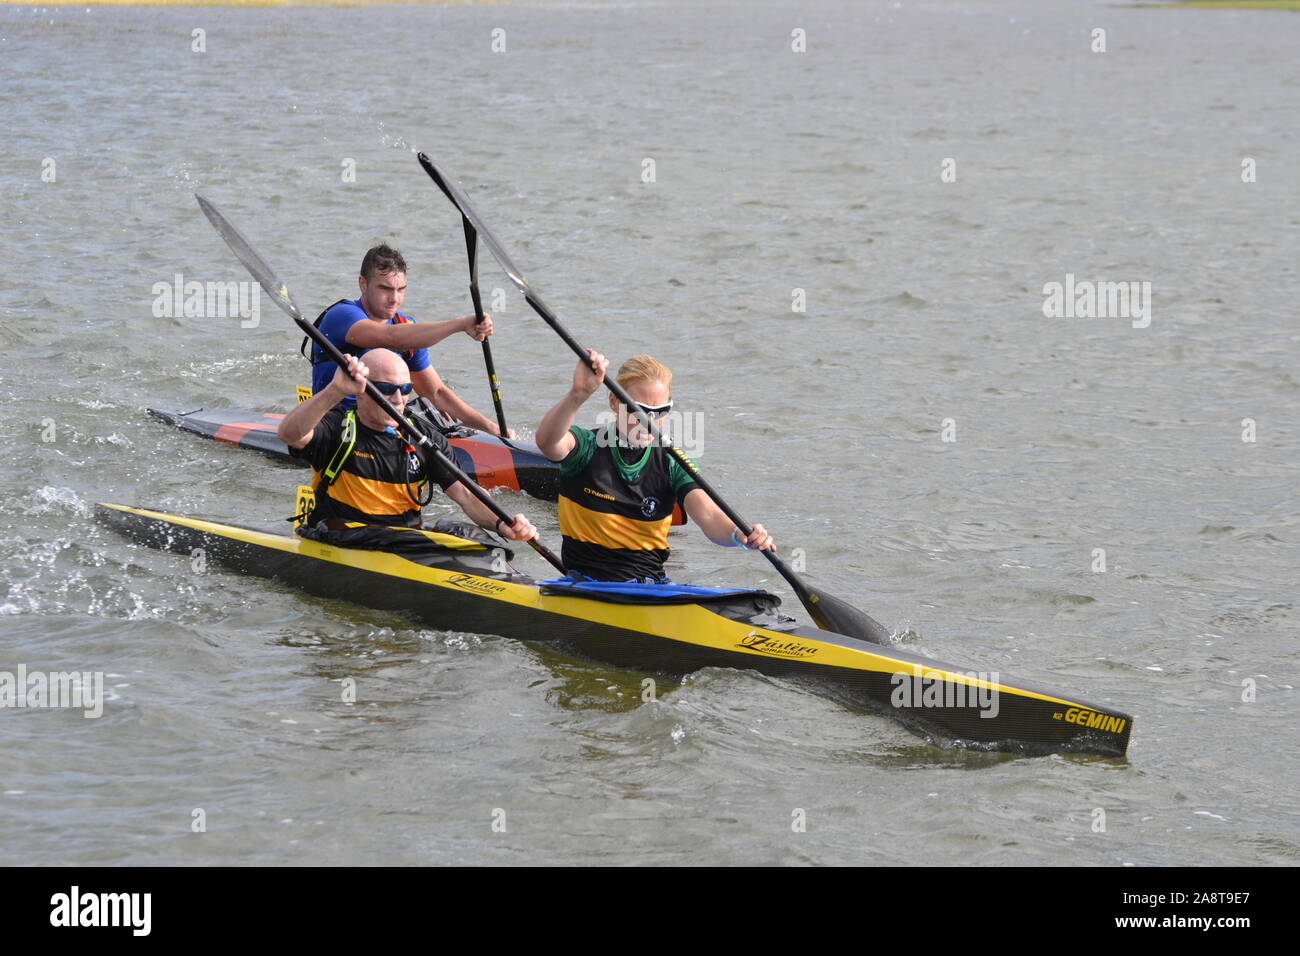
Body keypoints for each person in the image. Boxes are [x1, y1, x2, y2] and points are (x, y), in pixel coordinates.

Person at [534, 350, 773, 582]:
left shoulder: (672, 462)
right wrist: (578, 394)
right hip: (587, 583)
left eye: (660, 411)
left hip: (651, 586)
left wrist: (738, 534)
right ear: (614, 402)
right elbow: (548, 442)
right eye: (640, 411)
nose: (650, 421)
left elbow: (710, 517)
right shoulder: (586, 447)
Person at [279, 348, 536, 540]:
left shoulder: (425, 437)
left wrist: (504, 524)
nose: (398, 399)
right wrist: (335, 390)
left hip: (402, 540)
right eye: (386, 389)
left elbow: (466, 495)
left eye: (406, 388)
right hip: (344, 535)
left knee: (469, 535)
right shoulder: (338, 428)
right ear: (361, 389)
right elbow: (289, 434)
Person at [308, 243, 514, 437]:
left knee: (430, 412)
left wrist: (493, 429)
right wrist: (460, 324)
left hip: (386, 423)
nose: (394, 298)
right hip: (338, 423)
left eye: (401, 289)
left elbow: (437, 394)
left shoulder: (407, 326)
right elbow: (391, 337)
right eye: (385, 288)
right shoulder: (342, 315)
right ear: (363, 283)